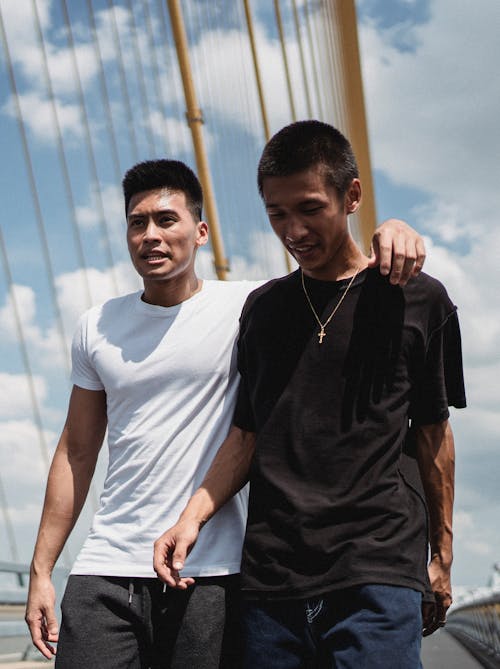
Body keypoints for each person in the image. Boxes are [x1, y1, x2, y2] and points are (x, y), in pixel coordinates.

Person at [25, 157, 426, 669]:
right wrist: (42, 571)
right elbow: (77, 451)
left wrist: (392, 230)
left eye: (167, 220)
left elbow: (336, 278)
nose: (151, 235)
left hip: (213, 570)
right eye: (137, 222)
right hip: (106, 567)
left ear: (201, 231)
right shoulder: (97, 326)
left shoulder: (253, 307)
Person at [154, 122, 466, 669]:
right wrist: (192, 517)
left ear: (352, 197)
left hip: (377, 571)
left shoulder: (418, 300)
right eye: (277, 213)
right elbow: (248, 434)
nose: (293, 229)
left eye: (309, 208)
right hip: (272, 583)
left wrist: (442, 555)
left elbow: (433, 435)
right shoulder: (263, 310)